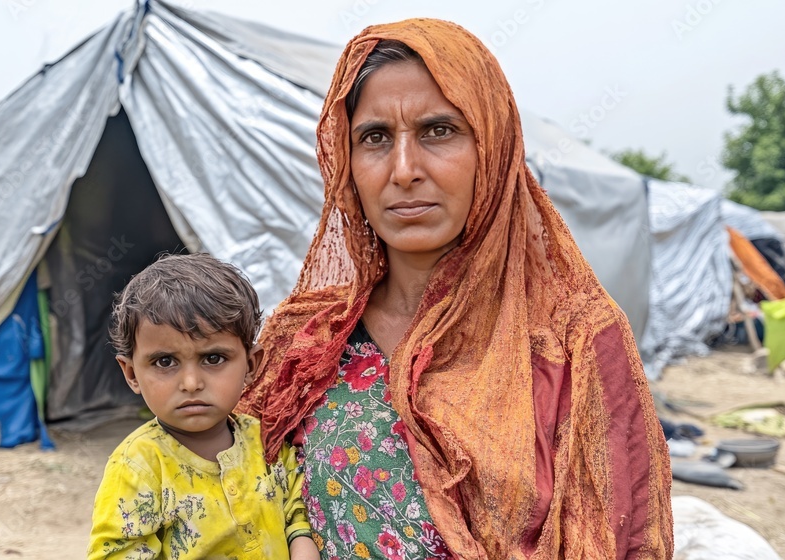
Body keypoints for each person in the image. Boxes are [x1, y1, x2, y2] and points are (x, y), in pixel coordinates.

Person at [240, 18, 673, 559]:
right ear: (345, 164)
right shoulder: (305, 340)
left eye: (437, 131)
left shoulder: (574, 341)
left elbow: (625, 541)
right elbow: (233, 496)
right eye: (374, 138)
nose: (403, 170)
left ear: (492, 148)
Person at [88, 253, 320, 560]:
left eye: (213, 359)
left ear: (251, 365)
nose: (191, 382)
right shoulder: (138, 466)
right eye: (165, 362)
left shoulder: (268, 441)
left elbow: (297, 516)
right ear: (131, 373)